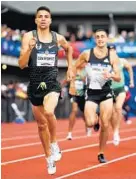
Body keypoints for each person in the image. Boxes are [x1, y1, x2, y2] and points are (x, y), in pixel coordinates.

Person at [18, 6, 74, 175]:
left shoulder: (57, 38)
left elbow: (69, 48)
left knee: (49, 112)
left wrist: (71, 68)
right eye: (40, 16)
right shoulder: (29, 37)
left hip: (51, 83)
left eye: (46, 16)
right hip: (35, 84)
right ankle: (49, 157)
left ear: (50, 20)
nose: (43, 19)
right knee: (42, 125)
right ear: (36, 20)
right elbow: (21, 64)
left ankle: (54, 142)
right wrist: (29, 49)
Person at [73, 29, 121, 163]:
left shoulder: (112, 56)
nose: (100, 39)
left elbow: (118, 77)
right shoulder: (87, 54)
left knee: (106, 124)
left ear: (106, 39)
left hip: (106, 93)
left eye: (102, 37)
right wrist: (78, 78)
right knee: (89, 122)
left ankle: (101, 153)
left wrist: (111, 75)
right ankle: (95, 120)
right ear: (95, 39)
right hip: (92, 93)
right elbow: (75, 66)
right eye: (98, 37)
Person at [61, 62, 92, 140]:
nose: (84, 64)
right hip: (74, 94)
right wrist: (60, 87)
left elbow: (89, 81)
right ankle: (69, 133)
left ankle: (88, 127)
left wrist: (81, 77)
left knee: (84, 113)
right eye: (83, 62)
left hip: (83, 94)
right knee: (74, 110)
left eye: (85, 63)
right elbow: (66, 80)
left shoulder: (86, 71)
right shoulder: (73, 70)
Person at [111, 58, 134, 146]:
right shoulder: (105, 61)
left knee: (118, 107)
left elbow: (129, 68)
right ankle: (115, 131)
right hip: (110, 90)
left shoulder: (122, 61)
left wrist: (131, 80)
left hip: (120, 89)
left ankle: (116, 132)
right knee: (112, 113)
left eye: (113, 50)